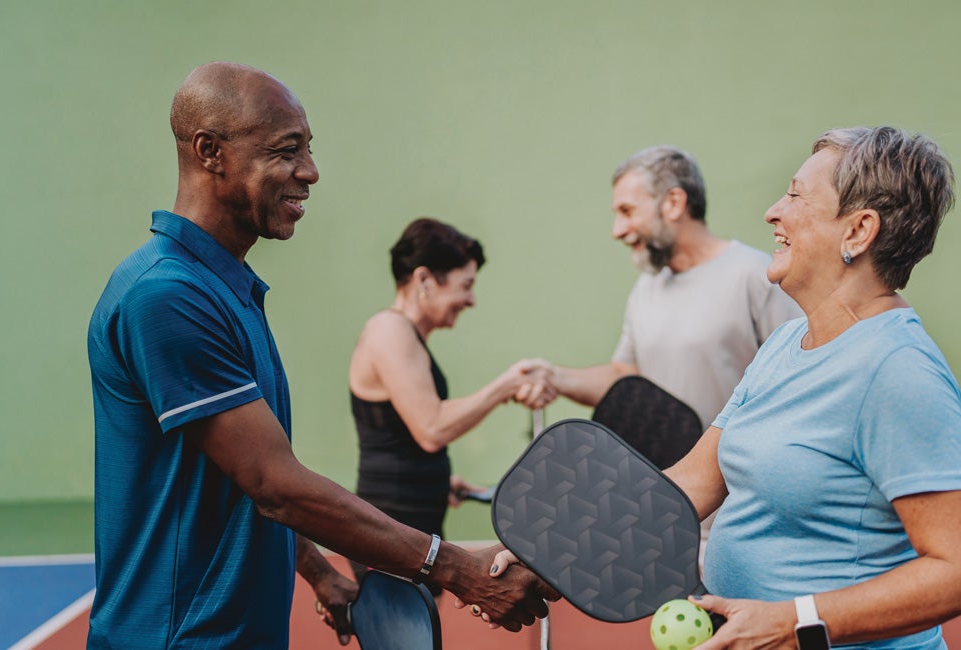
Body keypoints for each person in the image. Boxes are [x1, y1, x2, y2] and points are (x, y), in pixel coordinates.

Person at [86, 62, 555, 649]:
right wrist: (457, 570)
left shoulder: (225, 288)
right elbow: (273, 483)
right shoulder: (167, 295)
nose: (309, 171)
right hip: (177, 638)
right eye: (287, 150)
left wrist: (318, 572)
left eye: (308, 149)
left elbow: (235, 473)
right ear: (211, 152)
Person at [485, 127, 961, 648]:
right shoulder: (785, 343)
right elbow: (690, 482)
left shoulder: (898, 370)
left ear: (859, 231)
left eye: (796, 195)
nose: (773, 211)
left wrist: (795, 622)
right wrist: (562, 550)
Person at [348, 217, 555, 588]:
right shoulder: (389, 329)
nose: (472, 300)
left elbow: (402, 438)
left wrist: (438, 479)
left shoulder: (405, 336)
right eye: (466, 285)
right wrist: (508, 385)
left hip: (410, 534)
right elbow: (431, 429)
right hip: (390, 538)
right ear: (425, 280)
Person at [545, 146, 801, 430]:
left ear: (674, 203)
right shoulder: (646, 287)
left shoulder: (754, 274)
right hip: (664, 475)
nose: (617, 230)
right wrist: (552, 378)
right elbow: (627, 378)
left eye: (627, 211)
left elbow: (798, 379)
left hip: (737, 473)